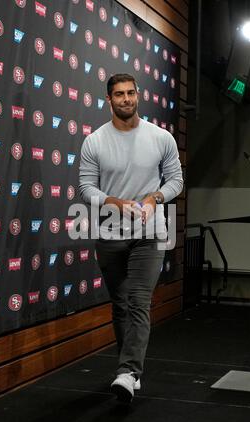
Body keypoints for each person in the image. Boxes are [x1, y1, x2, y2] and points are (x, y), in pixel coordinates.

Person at [79, 73, 183, 403]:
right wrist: (115, 203)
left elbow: (176, 181)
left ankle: (127, 372)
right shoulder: (94, 141)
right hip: (109, 233)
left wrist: (154, 198)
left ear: (138, 96)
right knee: (120, 305)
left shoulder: (161, 138)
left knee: (138, 302)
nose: (126, 99)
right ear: (108, 100)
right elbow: (85, 188)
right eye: (119, 94)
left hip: (149, 234)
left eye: (131, 93)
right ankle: (130, 370)